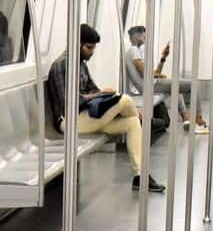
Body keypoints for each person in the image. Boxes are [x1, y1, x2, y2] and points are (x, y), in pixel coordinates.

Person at [47, 23, 165, 192]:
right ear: (77, 44)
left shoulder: (81, 64)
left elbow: (93, 90)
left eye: (93, 48)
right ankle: (147, 121)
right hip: (72, 121)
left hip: (89, 117)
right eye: (89, 47)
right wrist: (99, 96)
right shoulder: (62, 66)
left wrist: (104, 95)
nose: (92, 52)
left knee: (132, 123)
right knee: (124, 100)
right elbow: (68, 102)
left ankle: (140, 176)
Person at [124, 25, 207, 137]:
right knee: (193, 84)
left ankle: (186, 117)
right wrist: (157, 75)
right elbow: (146, 73)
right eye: (143, 36)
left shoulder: (136, 51)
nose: (145, 38)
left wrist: (163, 58)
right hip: (148, 86)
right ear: (137, 36)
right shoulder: (133, 50)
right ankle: (198, 119)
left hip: (151, 84)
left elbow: (152, 74)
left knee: (175, 85)